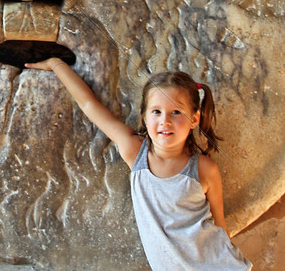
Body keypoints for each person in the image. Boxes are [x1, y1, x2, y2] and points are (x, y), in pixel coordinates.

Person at [25, 58, 252, 270]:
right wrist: (56, 64)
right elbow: (88, 105)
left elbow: (220, 225)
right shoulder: (136, 152)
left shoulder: (204, 168)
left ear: (194, 119)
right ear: (144, 117)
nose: (165, 120)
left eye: (176, 112)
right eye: (156, 112)